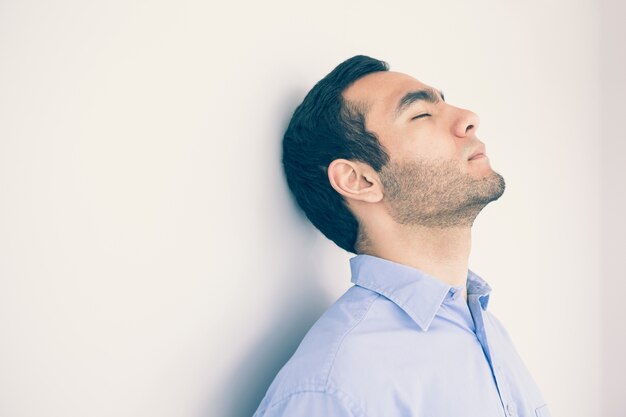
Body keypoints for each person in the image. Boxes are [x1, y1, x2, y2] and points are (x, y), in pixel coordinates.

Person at [252, 55, 550, 417]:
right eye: (421, 114)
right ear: (360, 180)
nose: (468, 118)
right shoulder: (335, 388)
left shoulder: (483, 329)